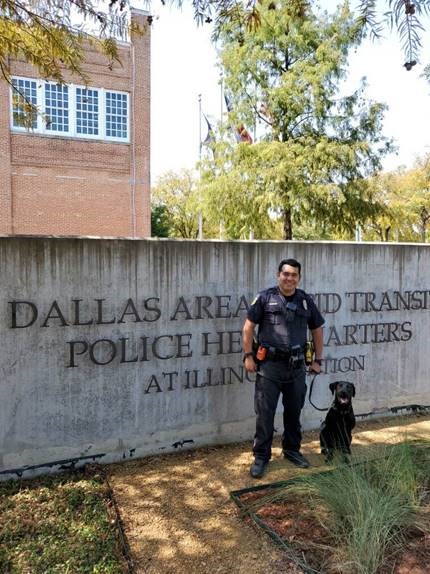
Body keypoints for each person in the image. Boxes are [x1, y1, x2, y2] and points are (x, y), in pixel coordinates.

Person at [242, 258, 324, 479]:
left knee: (293, 411)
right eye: (285, 274)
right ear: (278, 275)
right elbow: (248, 327)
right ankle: (261, 457)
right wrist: (248, 355)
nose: (289, 278)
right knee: (264, 413)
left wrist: (318, 359)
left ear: (299, 277)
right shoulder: (265, 297)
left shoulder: (305, 301)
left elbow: (317, 329)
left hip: (296, 367)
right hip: (269, 367)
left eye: (293, 275)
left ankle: (292, 450)